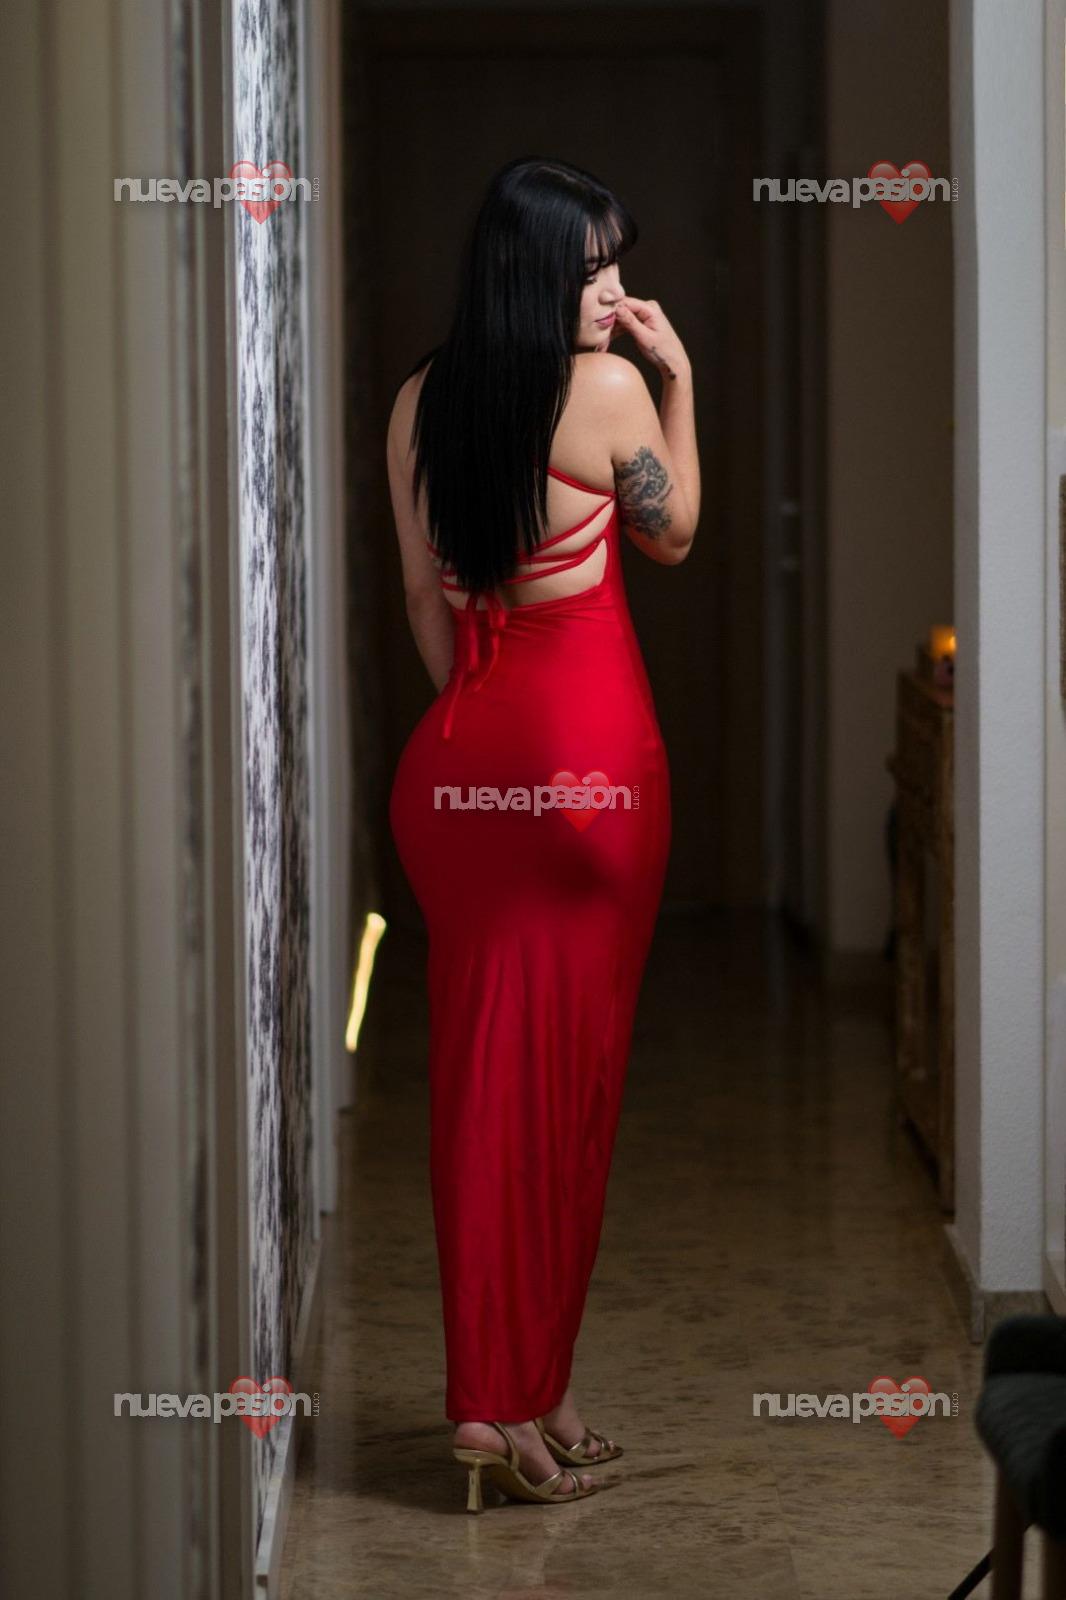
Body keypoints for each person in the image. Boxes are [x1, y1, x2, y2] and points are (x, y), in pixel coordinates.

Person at [386, 155, 699, 1512]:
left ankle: (514, 1397)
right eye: (591, 270)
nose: (616, 293)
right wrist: (679, 383)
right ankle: (510, 1394)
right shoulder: (614, 390)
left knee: (478, 1092)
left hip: (458, 769)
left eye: (618, 263)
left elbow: (423, 598)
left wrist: (478, 738)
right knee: (568, 1098)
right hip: (591, 778)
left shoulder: (419, 399)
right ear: (530, 276)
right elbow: (675, 535)